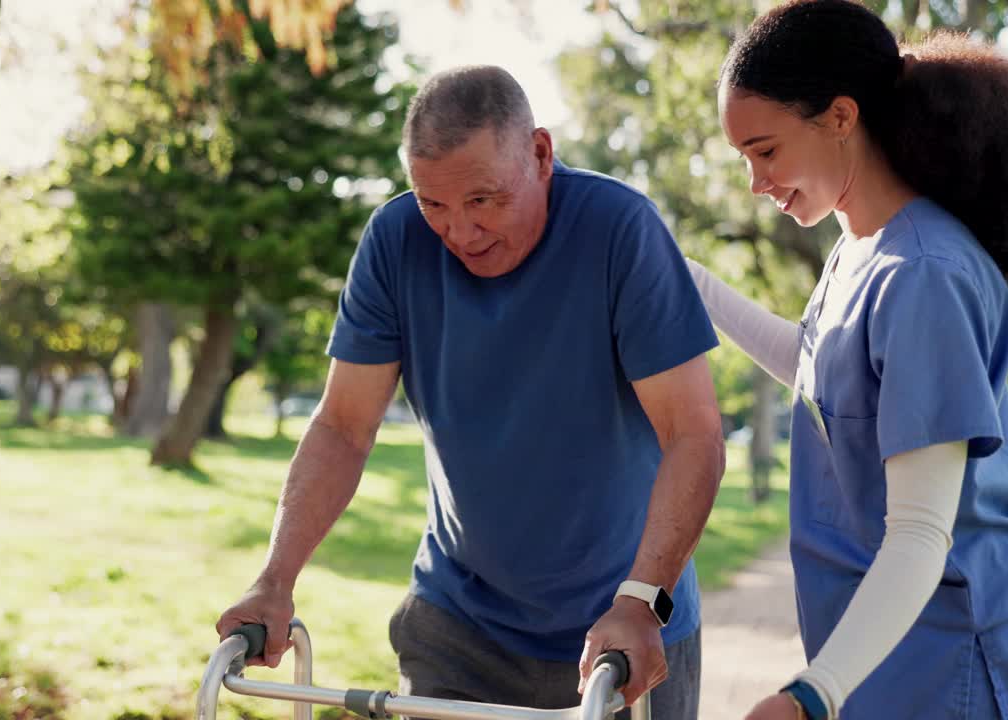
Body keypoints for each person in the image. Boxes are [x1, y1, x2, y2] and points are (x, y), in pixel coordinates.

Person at [214, 65, 725, 720]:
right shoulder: (395, 243)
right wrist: (274, 580)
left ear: (540, 154)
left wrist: (639, 601)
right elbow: (343, 426)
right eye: (434, 204)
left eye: (484, 200)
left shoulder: (620, 231)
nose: (458, 231)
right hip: (461, 624)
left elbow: (694, 433)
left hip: (626, 626)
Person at [687, 1, 1008, 718]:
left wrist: (811, 694)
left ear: (841, 116)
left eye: (766, 151)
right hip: (890, 654)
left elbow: (923, 533)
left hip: (952, 657)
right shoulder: (858, 250)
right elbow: (817, 364)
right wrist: (689, 278)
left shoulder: (922, 272)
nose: (755, 182)